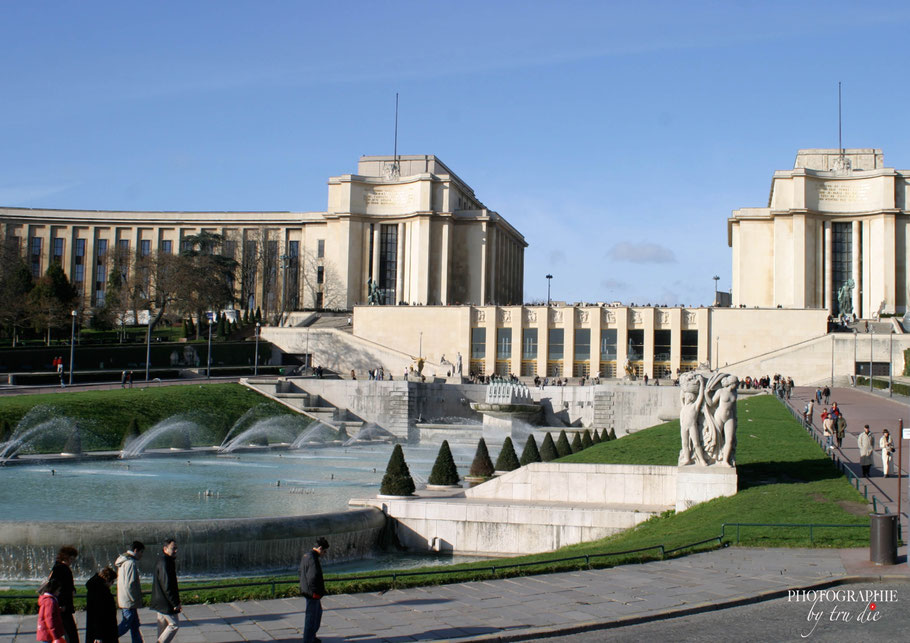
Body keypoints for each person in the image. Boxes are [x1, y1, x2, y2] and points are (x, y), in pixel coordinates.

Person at [299, 536, 329, 643]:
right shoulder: (313, 558)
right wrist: (316, 592)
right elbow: (313, 576)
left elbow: (301, 572)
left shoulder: (306, 555)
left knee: (317, 614)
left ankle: (312, 636)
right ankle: (308, 640)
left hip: (307, 590)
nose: (324, 554)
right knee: (311, 618)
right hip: (313, 593)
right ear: (320, 548)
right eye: (324, 552)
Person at [150, 539, 181, 643]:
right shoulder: (165, 562)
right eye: (173, 548)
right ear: (165, 549)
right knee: (174, 624)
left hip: (159, 600)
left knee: (162, 627)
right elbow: (167, 585)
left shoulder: (163, 560)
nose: (176, 550)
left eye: (176, 548)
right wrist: (175, 603)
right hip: (165, 601)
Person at [115, 541, 145, 643]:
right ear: (135, 550)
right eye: (141, 552)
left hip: (125, 598)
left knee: (134, 625)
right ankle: (108, 638)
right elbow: (130, 584)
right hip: (129, 601)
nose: (141, 555)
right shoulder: (130, 563)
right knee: (126, 624)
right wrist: (136, 599)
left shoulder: (124, 560)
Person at [49, 545, 79, 643]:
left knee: (66, 633)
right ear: (66, 557)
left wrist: (72, 589)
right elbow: (57, 587)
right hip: (63, 606)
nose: (72, 561)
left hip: (63, 605)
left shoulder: (57, 567)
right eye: (71, 558)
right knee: (71, 634)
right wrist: (62, 604)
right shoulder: (62, 569)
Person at [85, 566, 118, 643]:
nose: (112, 584)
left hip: (100, 630)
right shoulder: (100, 592)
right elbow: (98, 614)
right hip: (104, 631)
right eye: (112, 582)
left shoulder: (95, 588)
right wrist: (98, 635)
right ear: (107, 580)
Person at [37, 577, 67, 643]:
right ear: (53, 590)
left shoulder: (45, 599)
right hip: (49, 634)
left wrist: (58, 610)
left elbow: (49, 612)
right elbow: (49, 619)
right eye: (58, 590)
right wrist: (55, 636)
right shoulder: (50, 601)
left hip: (45, 631)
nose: (59, 592)